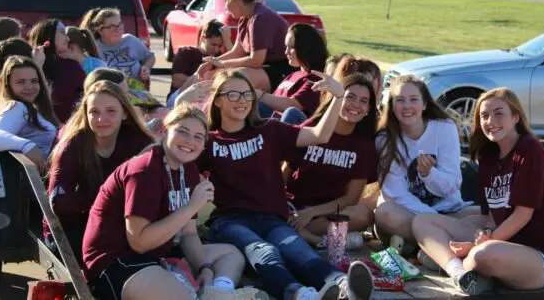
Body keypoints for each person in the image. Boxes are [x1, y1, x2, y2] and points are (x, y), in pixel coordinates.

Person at [199, 70, 374, 300]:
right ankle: (300, 294)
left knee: (299, 252)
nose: (242, 100)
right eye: (233, 94)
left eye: (246, 94)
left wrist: (338, 98)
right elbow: (170, 154)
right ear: (218, 100)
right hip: (230, 221)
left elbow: (319, 135)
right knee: (266, 252)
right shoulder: (207, 141)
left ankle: (343, 285)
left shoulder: (269, 129)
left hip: (271, 218)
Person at [82, 104, 255, 300]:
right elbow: (139, 242)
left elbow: (188, 233)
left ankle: (217, 293)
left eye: (198, 137)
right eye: (183, 131)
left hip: (157, 254)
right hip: (117, 261)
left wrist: (204, 268)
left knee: (231, 254)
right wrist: (192, 206)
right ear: (165, 130)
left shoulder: (187, 169)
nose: (190, 141)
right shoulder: (145, 170)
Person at [411, 87, 544, 296]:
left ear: (515, 117)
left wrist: (477, 244)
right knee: (423, 221)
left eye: (499, 113)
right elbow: (490, 216)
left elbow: (523, 214)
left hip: (540, 258)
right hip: (504, 241)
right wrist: (484, 231)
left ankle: (449, 261)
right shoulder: (488, 156)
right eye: (484, 115)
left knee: (482, 254)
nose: (490, 121)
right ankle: (459, 271)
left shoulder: (530, 149)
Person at [45, 80, 155, 262]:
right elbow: (59, 204)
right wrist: (111, 193)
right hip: (70, 228)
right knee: (119, 247)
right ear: (86, 115)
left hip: (121, 222)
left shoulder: (138, 141)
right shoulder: (73, 145)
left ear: (125, 113)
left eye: (111, 111)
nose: (101, 119)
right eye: (94, 112)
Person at [373, 75, 475, 254]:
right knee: (385, 213)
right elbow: (395, 195)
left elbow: (452, 186)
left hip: (449, 210)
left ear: (425, 104)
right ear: (392, 105)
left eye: (414, 100)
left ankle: (422, 246)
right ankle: (444, 247)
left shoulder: (445, 128)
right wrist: (432, 222)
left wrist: (429, 174)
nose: (407, 106)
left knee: (483, 216)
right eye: (400, 100)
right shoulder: (384, 140)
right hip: (409, 214)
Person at [285, 74, 377, 250]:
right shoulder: (313, 128)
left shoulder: (365, 146)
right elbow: (282, 174)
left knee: (364, 214)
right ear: (338, 98)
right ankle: (318, 239)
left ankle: (301, 234)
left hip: (326, 212)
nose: (356, 105)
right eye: (350, 97)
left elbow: (351, 198)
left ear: (368, 109)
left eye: (363, 101)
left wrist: (311, 213)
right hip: (292, 206)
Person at [200, 0, 292, 93]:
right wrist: (212, 63)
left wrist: (221, 64)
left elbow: (256, 60)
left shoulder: (260, 18)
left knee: (235, 78)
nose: (225, 7)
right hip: (264, 67)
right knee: (209, 74)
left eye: (225, 1)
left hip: (282, 69)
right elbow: (237, 52)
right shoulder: (244, 19)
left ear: (236, 0)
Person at [0, 56, 59, 172]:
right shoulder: (18, 107)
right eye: (20, 82)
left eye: (34, 81)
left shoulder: (33, 107)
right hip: (27, 185)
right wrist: (27, 146)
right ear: (8, 85)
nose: (29, 87)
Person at [257, 23, 328, 124]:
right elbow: (270, 103)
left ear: (305, 48)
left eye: (291, 47)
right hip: (274, 125)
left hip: (296, 130)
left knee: (291, 113)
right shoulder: (292, 75)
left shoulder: (316, 78)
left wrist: (259, 94)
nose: (286, 52)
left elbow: (294, 105)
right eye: (286, 47)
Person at [80, 7, 155, 91]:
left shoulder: (130, 40)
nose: (118, 29)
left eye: (119, 24)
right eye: (112, 27)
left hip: (139, 95)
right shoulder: (94, 47)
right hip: (111, 95)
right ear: (100, 30)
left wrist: (146, 67)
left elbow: (150, 56)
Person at [28, 19, 86, 123]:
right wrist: (37, 67)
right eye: (63, 33)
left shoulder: (71, 67)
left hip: (67, 129)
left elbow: (87, 95)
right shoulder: (27, 67)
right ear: (49, 35)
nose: (68, 38)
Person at [169, 19, 232, 101]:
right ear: (203, 38)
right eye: (213, 44)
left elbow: (239, 65)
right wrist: (207, 82)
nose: (216, 49)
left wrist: (228, 42)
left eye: (220, 46)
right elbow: (177, 81)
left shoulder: (220, 56)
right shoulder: (187, 52)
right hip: (180, 97)